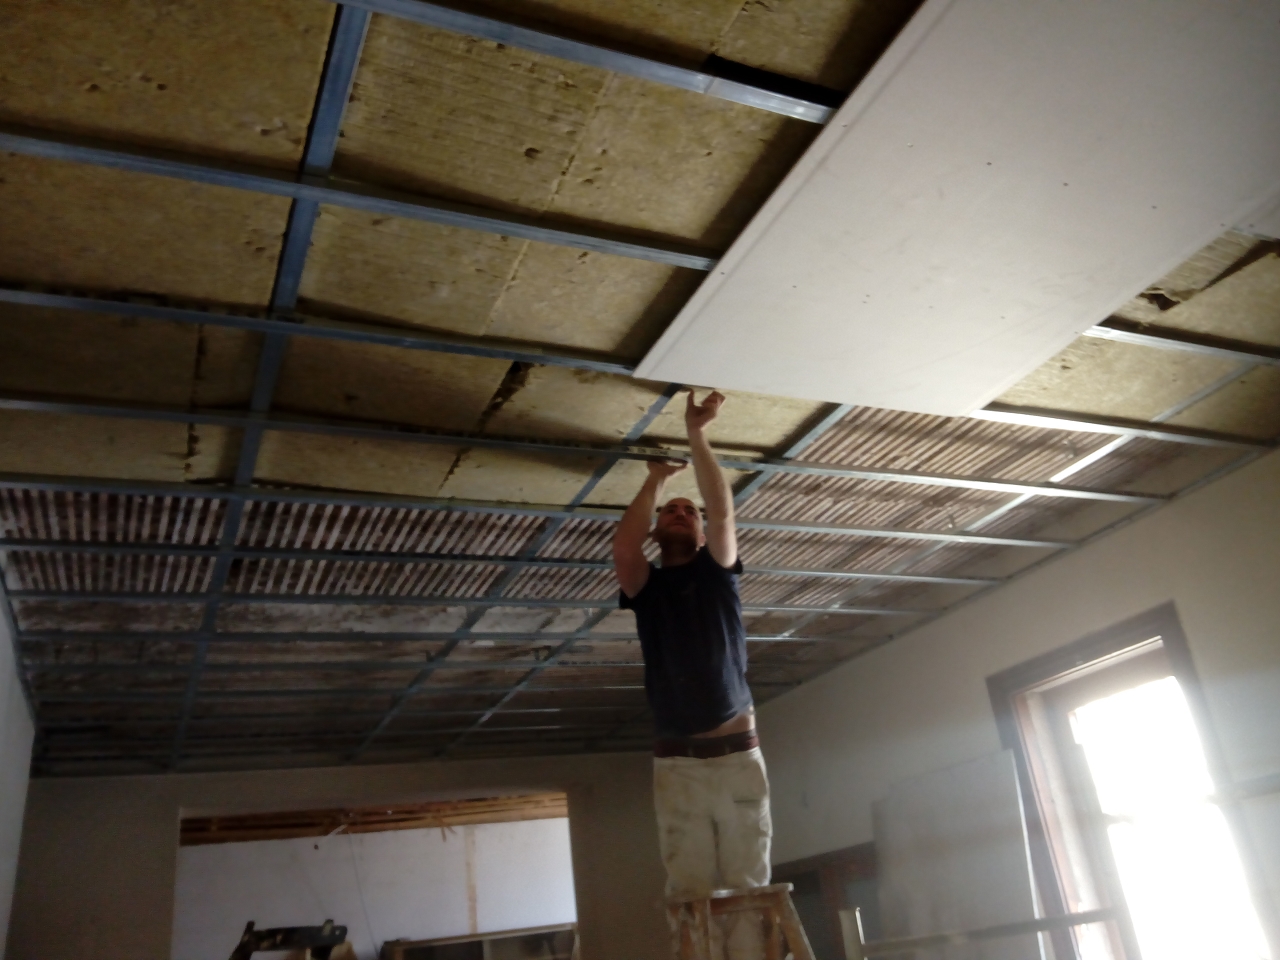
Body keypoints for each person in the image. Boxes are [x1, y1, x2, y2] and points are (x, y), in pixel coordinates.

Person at [612, 389, 771, 952]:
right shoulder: (646, 589)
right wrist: (656, 481)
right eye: (670, 513)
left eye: (690, 512)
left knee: (747, 889)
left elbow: (723, 511)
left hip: (735, 756)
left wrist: (696, 434)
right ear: (657, 532)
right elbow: (623, 548)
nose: (682, 513)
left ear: (702, 536)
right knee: (689, 890)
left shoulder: (717, 574)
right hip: (677, 763)